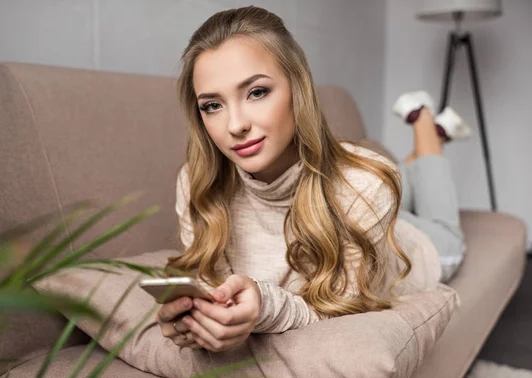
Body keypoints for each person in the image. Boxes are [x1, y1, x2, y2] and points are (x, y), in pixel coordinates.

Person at [154, 6, 466, 353]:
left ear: (297, 87)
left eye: (256, 92)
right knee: (383, 179)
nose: (235, 125)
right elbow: (215, 288)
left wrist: (266, 308)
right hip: (360, 203)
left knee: (443, 225)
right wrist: (195, 316)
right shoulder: (196, 185)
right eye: (212, 105)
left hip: (413, 242)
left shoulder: (366, 186)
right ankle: (431, 140)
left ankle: (424, 123)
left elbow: (344, 311)